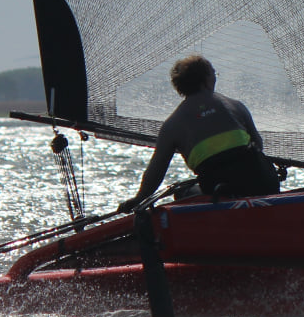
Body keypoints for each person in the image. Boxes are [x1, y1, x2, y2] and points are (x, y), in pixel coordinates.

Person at [118, 55, 281, 211]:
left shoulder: (172, 125)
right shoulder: (235, 105)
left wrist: (139, 198)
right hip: (263, 183)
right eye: (214, 74)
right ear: (206, 80)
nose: (215, 78)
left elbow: (156, 171)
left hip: (220, 192)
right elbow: (258, 144)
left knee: (181, 192)